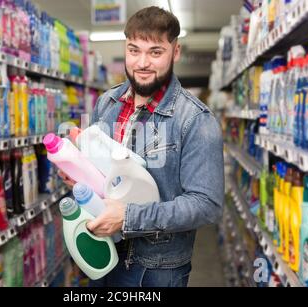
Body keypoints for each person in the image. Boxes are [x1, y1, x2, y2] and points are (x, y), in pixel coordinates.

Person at [58, 6, 224, 287]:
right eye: (134, 50)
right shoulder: (106, 103)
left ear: (176, 52)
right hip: (103, 253)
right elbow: (103, 175)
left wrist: (128, 218)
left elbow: (206, 204)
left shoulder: (195, 120)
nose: (142, 62)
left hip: (156, 269)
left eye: (155, 52)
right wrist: (79, 175)